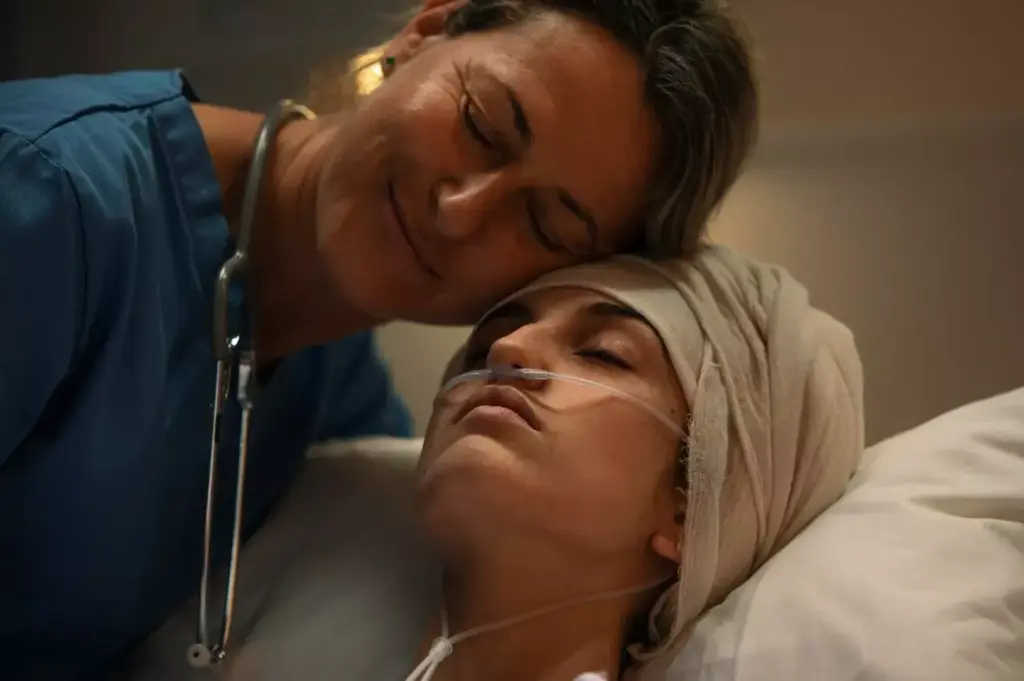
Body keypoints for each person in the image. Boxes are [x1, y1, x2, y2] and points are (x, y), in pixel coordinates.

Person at [0, 1, 758, 677]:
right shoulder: (43, 197)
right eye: (480, 124)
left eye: (544, 223)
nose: (460, 210)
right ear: (422, 33)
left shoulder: (335, 388)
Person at [117, 244, 864, 680]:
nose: (506, 352)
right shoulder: (310, 513)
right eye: (484, 345)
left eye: (602, 353)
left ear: (690, 505)